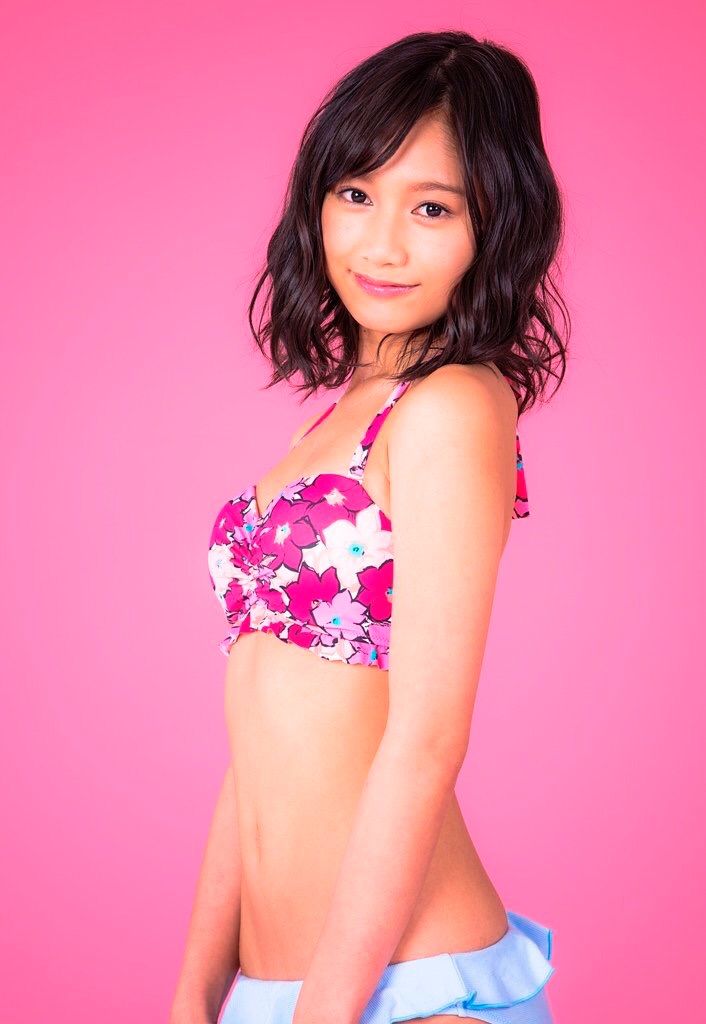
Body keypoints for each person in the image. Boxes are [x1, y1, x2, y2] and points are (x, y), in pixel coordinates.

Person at [171, 29, 569, 1024]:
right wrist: (194, 997)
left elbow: (426, 740)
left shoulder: (451, 406)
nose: (381, 243)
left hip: (405, 996)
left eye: (432, 207)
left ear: (494, 227)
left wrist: (321, 1015)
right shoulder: (330, 424)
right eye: (356, 193)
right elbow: (261, 749)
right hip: (280, 993)